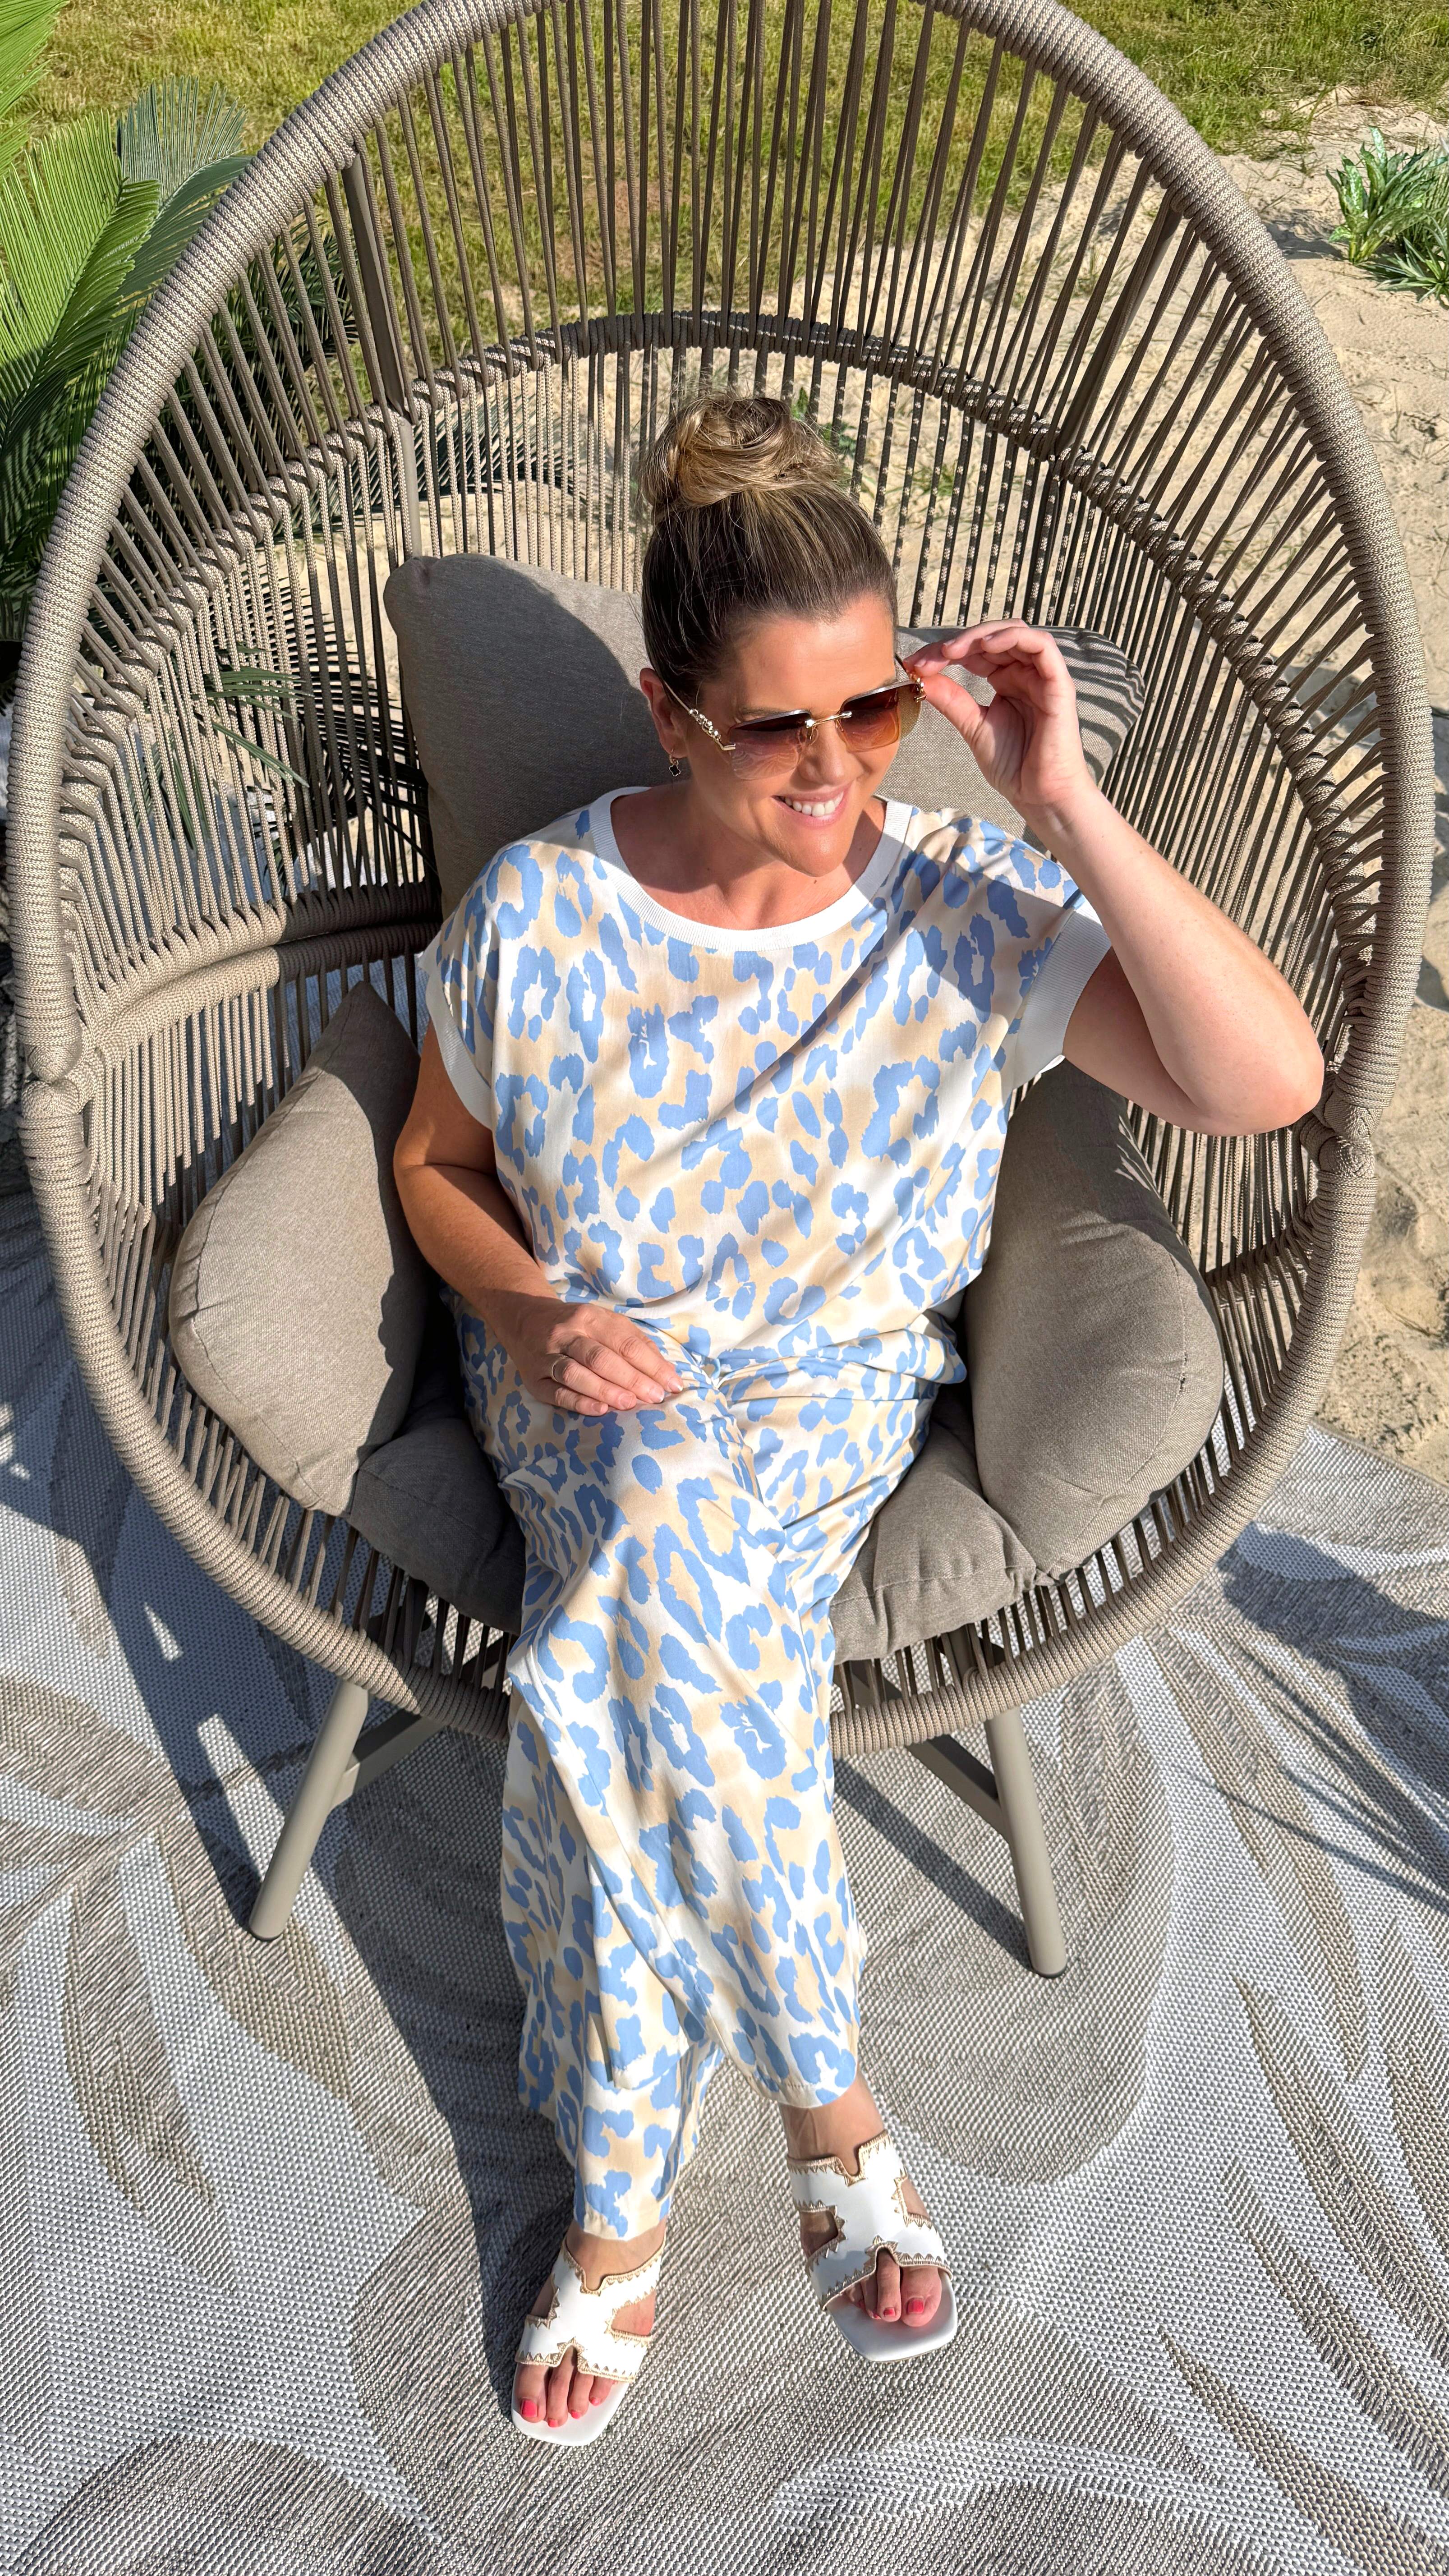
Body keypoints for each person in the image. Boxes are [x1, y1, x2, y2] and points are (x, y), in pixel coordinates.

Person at [393, 391, 1323, 2445]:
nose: (837, 773)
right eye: (779, 730)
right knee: (648, 1518)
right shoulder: (542, 914)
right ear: (668, 711)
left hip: (822, 1417)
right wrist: (534, 1316)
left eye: (876, 711)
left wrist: (1061, 798)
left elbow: (1265, 1083)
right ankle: (833, 2105)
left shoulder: (963, 911)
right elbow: (435, 1169)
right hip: (582, 1380)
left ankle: (622, 2201)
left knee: (624, 1651)